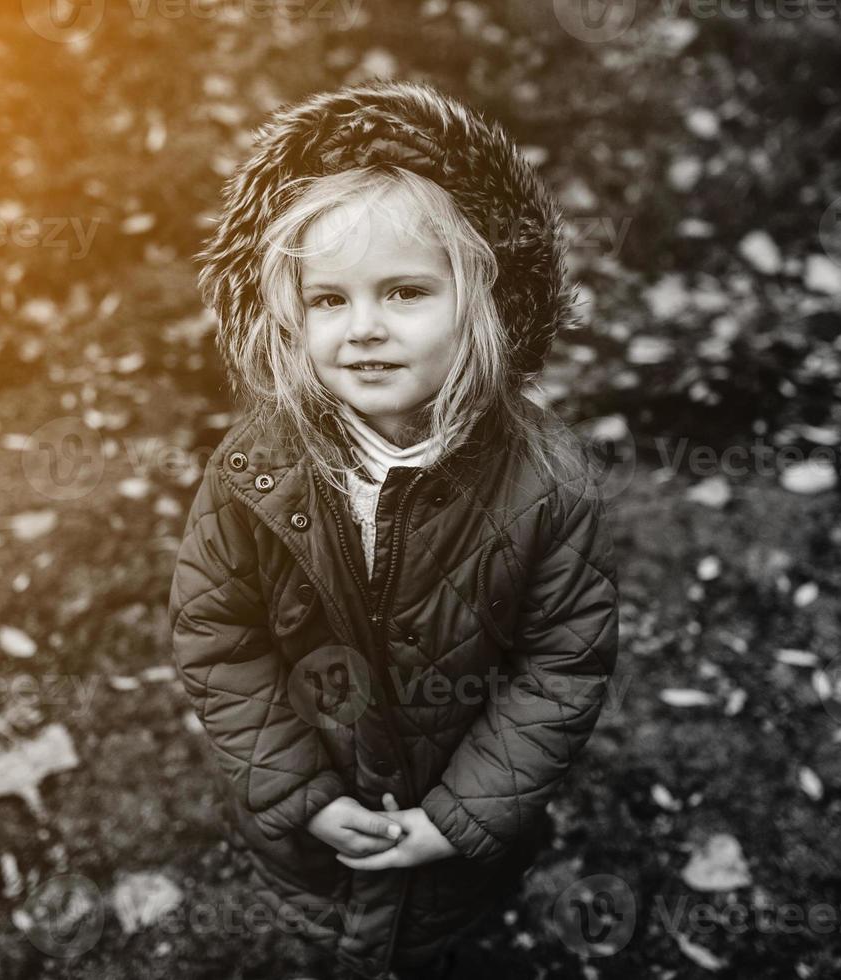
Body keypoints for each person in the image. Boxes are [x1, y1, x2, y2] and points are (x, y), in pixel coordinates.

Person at [169, 79, 620, 980]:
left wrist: (460, 815)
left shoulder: (547, 479)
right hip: (315, 812)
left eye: (405, 291)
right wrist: (299, 791)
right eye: (329, 300)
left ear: (483, 300)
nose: (363, 330)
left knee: (446, 943)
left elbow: (561, 663)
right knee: (330, 935)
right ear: (288, 314)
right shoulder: (255, 469)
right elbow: (218, 636)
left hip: (461, 812)